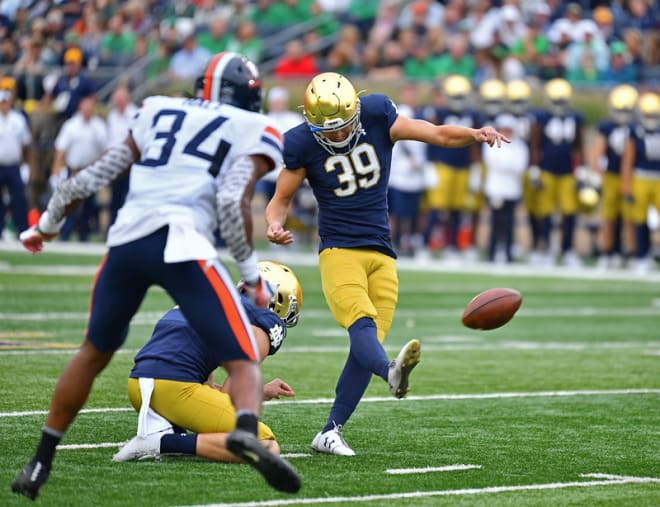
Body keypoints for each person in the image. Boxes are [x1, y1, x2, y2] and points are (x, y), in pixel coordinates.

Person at [12, 52, 301, 500]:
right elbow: (230, 202)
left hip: (127, 241)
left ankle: (41, 459)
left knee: (91, 353)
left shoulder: (157, 108)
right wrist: (252, 276)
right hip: (184, 245)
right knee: (243, 357)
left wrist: (45, 224)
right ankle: (245, 429)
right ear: (251, 97)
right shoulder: (254, 128)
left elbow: (89, 178)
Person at [265, 72, 509, 456]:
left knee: (368, 342)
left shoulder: (378, 113)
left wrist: (474, 133)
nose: (338, 137)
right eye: (328, 131)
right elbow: (281, 198)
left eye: (344, 127)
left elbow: (437, 133)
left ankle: (331, 432)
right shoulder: (300, 143)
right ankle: (391, 373)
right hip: (338, 250)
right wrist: (273, 224)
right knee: (362, 325)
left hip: (382, 251)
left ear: (355, 111)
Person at [113, 260, 302, 463]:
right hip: (172, 389)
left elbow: (207, 386)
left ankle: (166, 431)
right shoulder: (264, 320)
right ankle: (160, 442)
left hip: (138, 387)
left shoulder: (210, 296)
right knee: (265, 445)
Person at [530, 78, 585, 267]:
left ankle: (567, 249)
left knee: (569, 212)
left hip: (568, 172)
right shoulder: (542, 118)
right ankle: (544, 248)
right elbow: (535, 143)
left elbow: (579, 145)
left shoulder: (575, 118)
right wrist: (535, 167)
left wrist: (581, 169)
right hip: (547, 170)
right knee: (545, 212)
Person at [590, 84, 638, 269]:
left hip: (631, 177)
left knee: (630, 217)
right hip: (611, 176)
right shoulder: (607, 127)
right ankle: (608, 251)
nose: (623, 114)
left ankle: (632, 253)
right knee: (609, 216)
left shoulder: (636, 128)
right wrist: (596, 173)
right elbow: (598, 151)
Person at [50, 94, 108, 241]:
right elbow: (61, 147)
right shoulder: (71, 125)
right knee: (70, 204)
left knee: (88, 205)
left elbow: (106, 150)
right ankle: (65, 235)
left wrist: (102, 168)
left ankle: (84, 235)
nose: (88, 109)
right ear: (80, 107)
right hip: (74, 170)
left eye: (90, 106)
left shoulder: (99, 126)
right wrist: (57, 165)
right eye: (85, 106)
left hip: (91, 170)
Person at [621, 92, 660, 275]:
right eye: (649, 115)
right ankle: (641, 256)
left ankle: (653, 253)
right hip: (641, 178)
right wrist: (627, 187)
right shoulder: (635, 131)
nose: (651, 119)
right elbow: (628, 160)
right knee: (639, 220)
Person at [482, 114, 529, 263]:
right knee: (495, 222)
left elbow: (520, 166)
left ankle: (508, 253)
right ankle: (492, 252)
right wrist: (508, 165)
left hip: (512, 190)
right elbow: (492, 162)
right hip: (496, 189)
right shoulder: (492, 143)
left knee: (509, 223)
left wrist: (504, 164)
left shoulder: (520, 146)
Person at [0, 76, 31, 241]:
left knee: (19, 199)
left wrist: (25, 165)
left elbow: (25, 144)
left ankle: (22, 231)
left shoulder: (18, 119)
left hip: (13, 166)